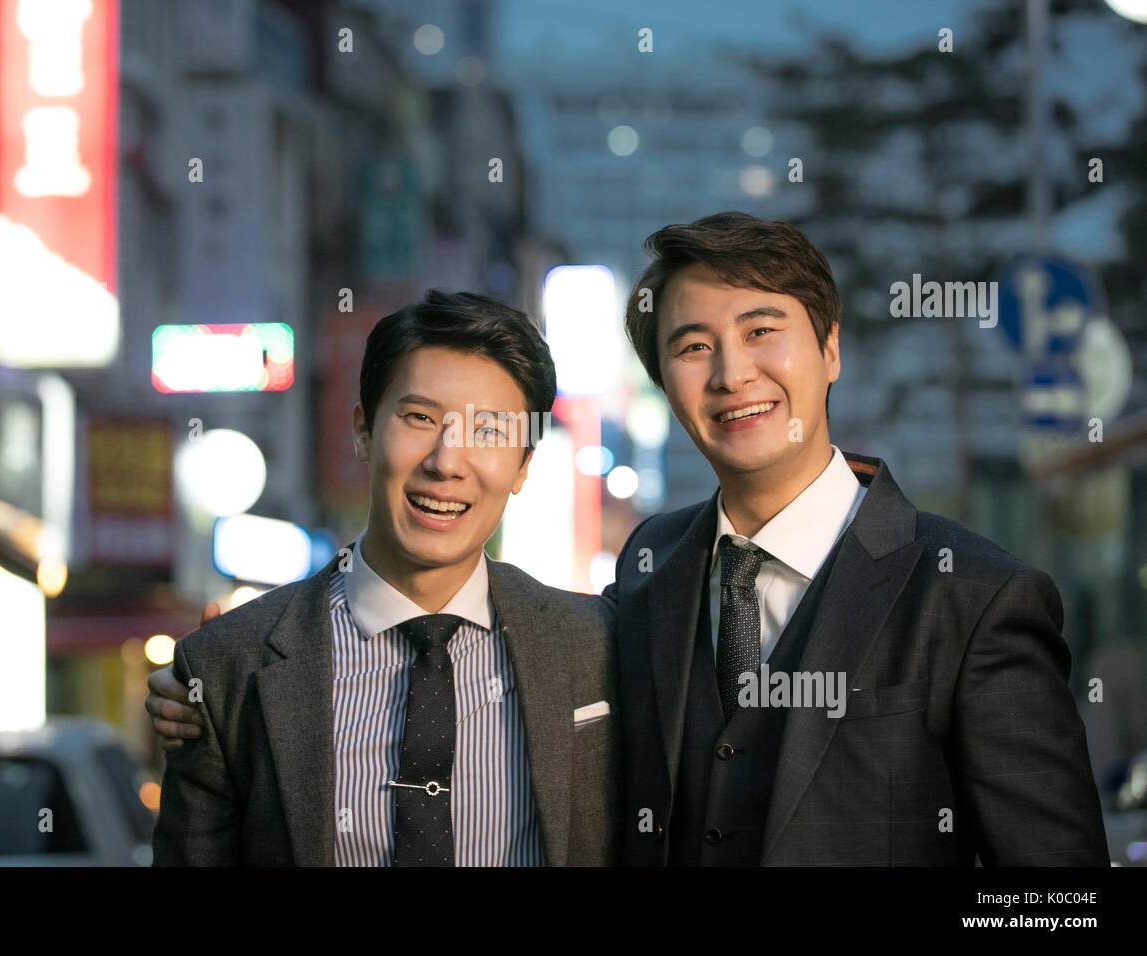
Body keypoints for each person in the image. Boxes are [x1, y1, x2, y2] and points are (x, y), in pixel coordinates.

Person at [152, 212, 1109, 866]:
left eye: (764, 331)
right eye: (693, 347)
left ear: (830, 349)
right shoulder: (646, 586)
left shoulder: (971, 597)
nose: (733, 373)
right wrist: (198, 685)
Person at [150, 290, 619, 866]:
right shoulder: (231, 667)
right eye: (420, 418)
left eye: (490, 431)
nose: (447, 461)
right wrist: (205, 675)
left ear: (524, 465)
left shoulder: (597, 646)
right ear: (364, 431)